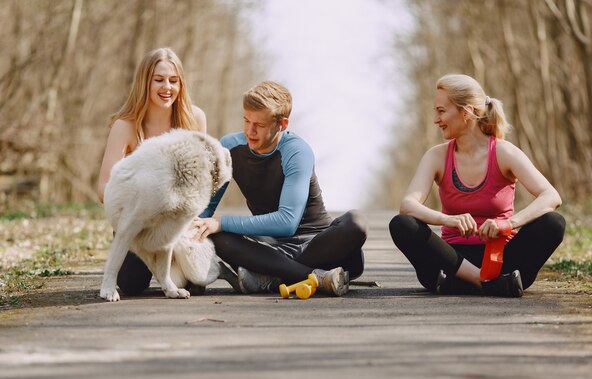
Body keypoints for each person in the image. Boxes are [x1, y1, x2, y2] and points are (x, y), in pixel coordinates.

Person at [388, 74, 565, 297]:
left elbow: (551, 196)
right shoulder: (437, 156)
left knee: (553, 223)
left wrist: (509, 224)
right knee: (402, 224)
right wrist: (447, 219)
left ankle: (469, 284)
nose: (436, 119)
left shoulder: (503, 152)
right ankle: (486, 283)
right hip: (451, 262)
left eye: (441, 111)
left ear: (466, 112)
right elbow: (408, 205)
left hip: (501, 259)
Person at [193, 80, 368, 296]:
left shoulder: (296, 151)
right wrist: (193, 229)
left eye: (260, 125)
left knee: (356, 223)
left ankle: (271, 274)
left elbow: (287, 222)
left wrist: (223, 222)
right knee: (216, 235)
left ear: (282, 124)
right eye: (246, 120)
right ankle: (318, 278)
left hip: (318, 244)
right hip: (270, 247)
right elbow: (207, 207)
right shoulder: (229, 147)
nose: (250, 130)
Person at [97, 47, 207, 296]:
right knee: (132, 284)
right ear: (144, 82)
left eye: (173, 80)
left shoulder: (195, 119)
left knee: (196, 286)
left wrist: (195, 218)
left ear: (181, 84)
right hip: (138, 224)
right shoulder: (125, 126)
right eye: (158, 80)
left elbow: (201, 183)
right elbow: (104, 188)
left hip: (178, 222)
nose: (166, 87)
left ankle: (180, 269)